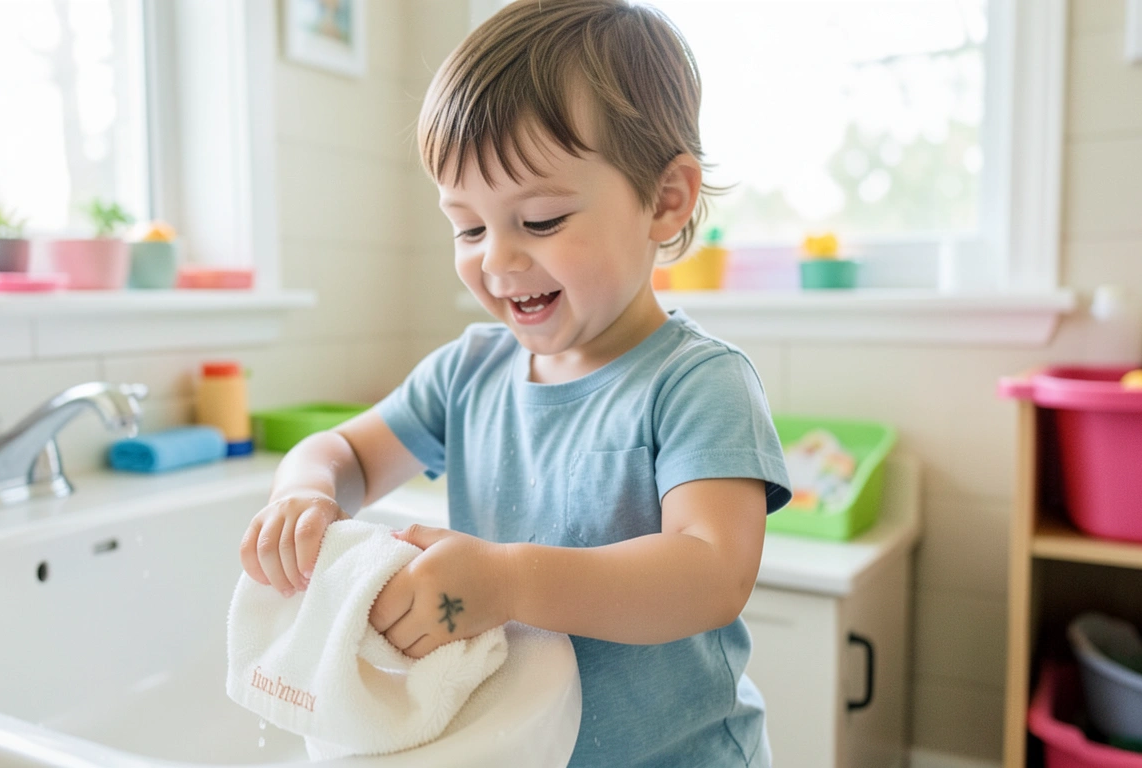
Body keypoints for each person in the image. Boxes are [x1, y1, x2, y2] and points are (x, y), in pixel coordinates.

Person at [239, 0, 791, 764]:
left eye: (539, 220)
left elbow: (710, 573)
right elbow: (347, 453)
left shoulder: (698, 385)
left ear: (664, 202)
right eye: (468, 227)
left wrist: (509, 580)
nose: (496, 260)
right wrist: (304, 492)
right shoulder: (470, 372)